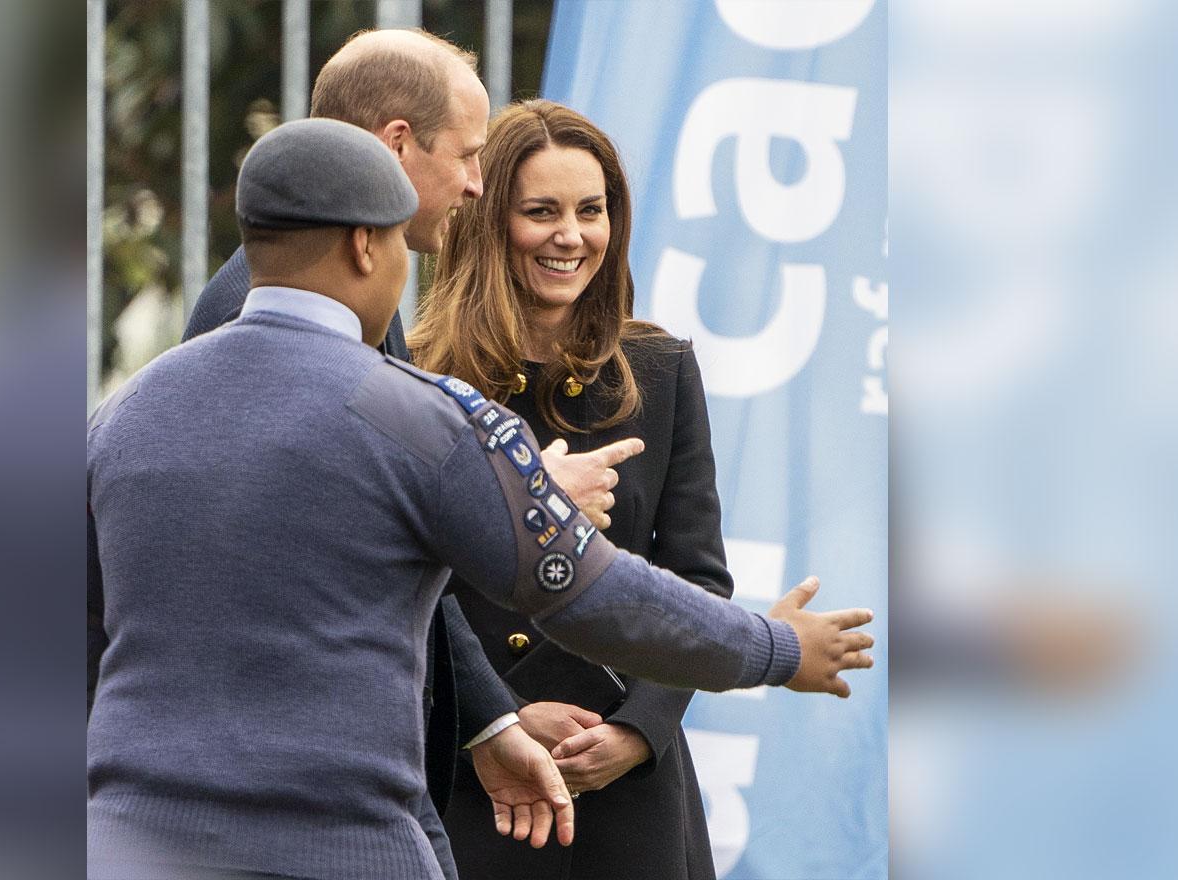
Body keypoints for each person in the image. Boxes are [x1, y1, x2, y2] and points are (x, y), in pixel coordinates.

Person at [87, 118, 874, 880]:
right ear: (367, 244)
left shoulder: (125, 412)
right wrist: (778, 648)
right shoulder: (415, 414)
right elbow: (597, 590)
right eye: (402, 240)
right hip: (343, 842)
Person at [171, 28, 642, 875]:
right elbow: (335, 554)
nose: (473, 182)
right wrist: (523, 496)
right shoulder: (258, 314)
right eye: (468, 156)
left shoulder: (351, 296)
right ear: (395, 146)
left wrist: (489, 725)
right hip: (306, 804)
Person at [408, 100, 784, 878]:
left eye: (591, 210)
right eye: (540, 212)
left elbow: (699, 579)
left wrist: (637, 732)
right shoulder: (418, 378)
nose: (571, 236)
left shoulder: (662, 368)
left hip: (630, 806)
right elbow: (410, 586)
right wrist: (496, 717)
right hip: (475, 789)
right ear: (486, 223)